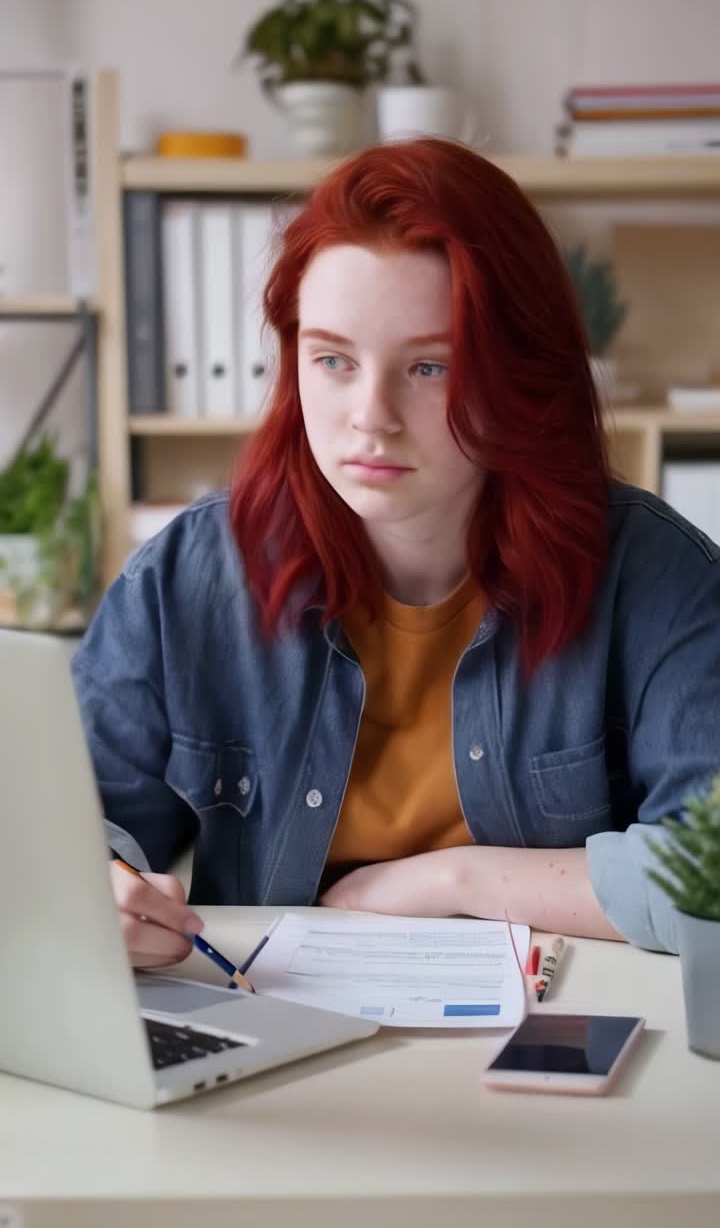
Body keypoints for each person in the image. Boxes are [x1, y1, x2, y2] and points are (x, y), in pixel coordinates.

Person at [72, 137, 720, 973]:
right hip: (272, 1035)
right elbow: (68, 826)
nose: (369, 416)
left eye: (427, 366)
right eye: (333, 359)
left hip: (565, 1037)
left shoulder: (656, 576)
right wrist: (106, 891)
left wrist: (455, 879)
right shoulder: (188, 577)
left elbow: (707, 867)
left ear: (519, 373)